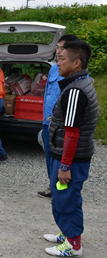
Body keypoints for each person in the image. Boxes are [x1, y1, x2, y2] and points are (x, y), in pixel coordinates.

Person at [44, 40, 97, 257]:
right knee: (66, 196)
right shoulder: (81, 83)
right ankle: (67, 233)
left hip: (71, 158)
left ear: (76, 63)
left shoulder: (75, 91)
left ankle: (74, 245)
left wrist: (65, 165)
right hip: (71, 155)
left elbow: (72, 133)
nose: (58, 63)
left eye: (62, 59)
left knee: (66, 197)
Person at [37, 34, 80, 198]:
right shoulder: (54, 68)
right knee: (50, 157)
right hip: (48, 121)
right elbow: (48, 92)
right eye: (57, 47)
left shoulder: (74, 70)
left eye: (62, 48)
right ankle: (52, 186)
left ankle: (63, 190)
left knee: (63, 158)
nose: (59, 51)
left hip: (63, 122)